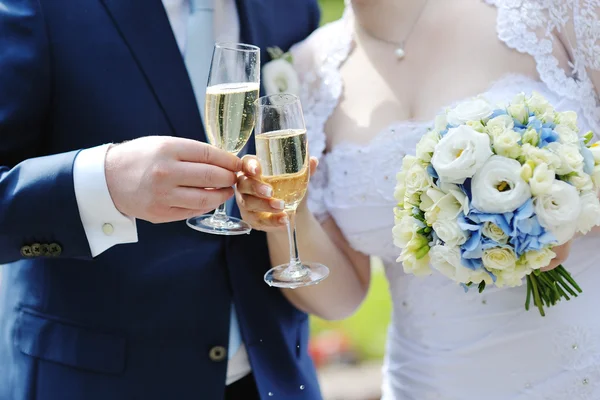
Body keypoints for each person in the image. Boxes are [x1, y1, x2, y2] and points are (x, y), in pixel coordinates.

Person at [237, 0, 600, 398]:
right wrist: (289, 212)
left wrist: (565, 209)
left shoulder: (552, 9)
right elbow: (339, 298)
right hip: (428, 383)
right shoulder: (305, 71)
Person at [0, 1, 323, 399]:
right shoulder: (39, 8)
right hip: (97, 382)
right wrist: (103, 183)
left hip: (274, 379)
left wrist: (268, 200)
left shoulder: (292, 8)